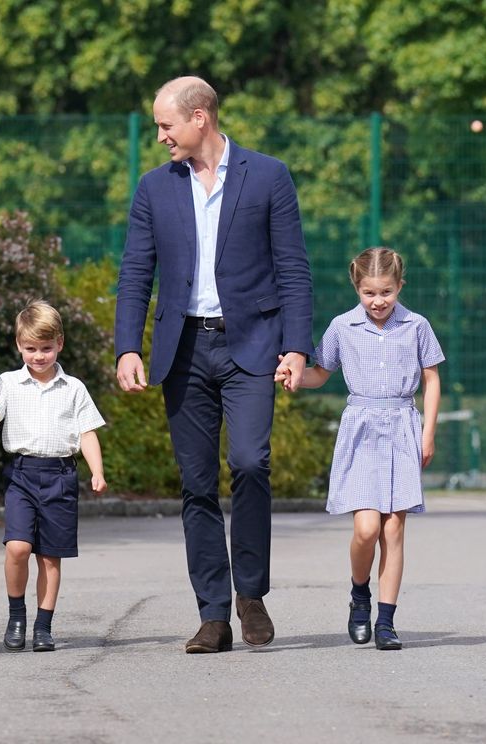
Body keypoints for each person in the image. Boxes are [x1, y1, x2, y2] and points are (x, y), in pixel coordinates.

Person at [114, 76, 314, 653]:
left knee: (251, 463)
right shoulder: (155, 189)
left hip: (251, 345)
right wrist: (129, 346)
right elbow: (135, 273)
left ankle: (250, 594)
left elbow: (293, 268)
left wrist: (296, 347)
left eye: (166, 125)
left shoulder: (268, 176)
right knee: (197, 485)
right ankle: (214, 614)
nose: (159, 137)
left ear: (200, 117)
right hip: (183, 350)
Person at [275, 247, 443, 650]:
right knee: (366, 529)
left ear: (400, 286)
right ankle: (359, 594)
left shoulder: (417, 325)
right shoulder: (342, 327)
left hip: (403, 426)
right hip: (361, 429)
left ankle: (386, 621)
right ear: (357, 288)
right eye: (369, 293)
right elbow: (320, 373)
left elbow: (431, 379)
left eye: (386, 291)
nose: (378, 301)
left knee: (394, 529)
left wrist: (428, 433)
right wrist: (292, 374)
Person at [0, 300, 106, 652]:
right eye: (31, 349)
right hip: (22, 474)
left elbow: (87, 432)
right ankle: (17, 615)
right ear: (19, 345)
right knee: (17, 547)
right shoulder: (8, 383)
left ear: (59, 343)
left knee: (49, 556)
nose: (39, 356)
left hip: (60, 475)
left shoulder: (73, 388)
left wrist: (97, 472)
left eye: (46, 348)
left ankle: (43, 627)